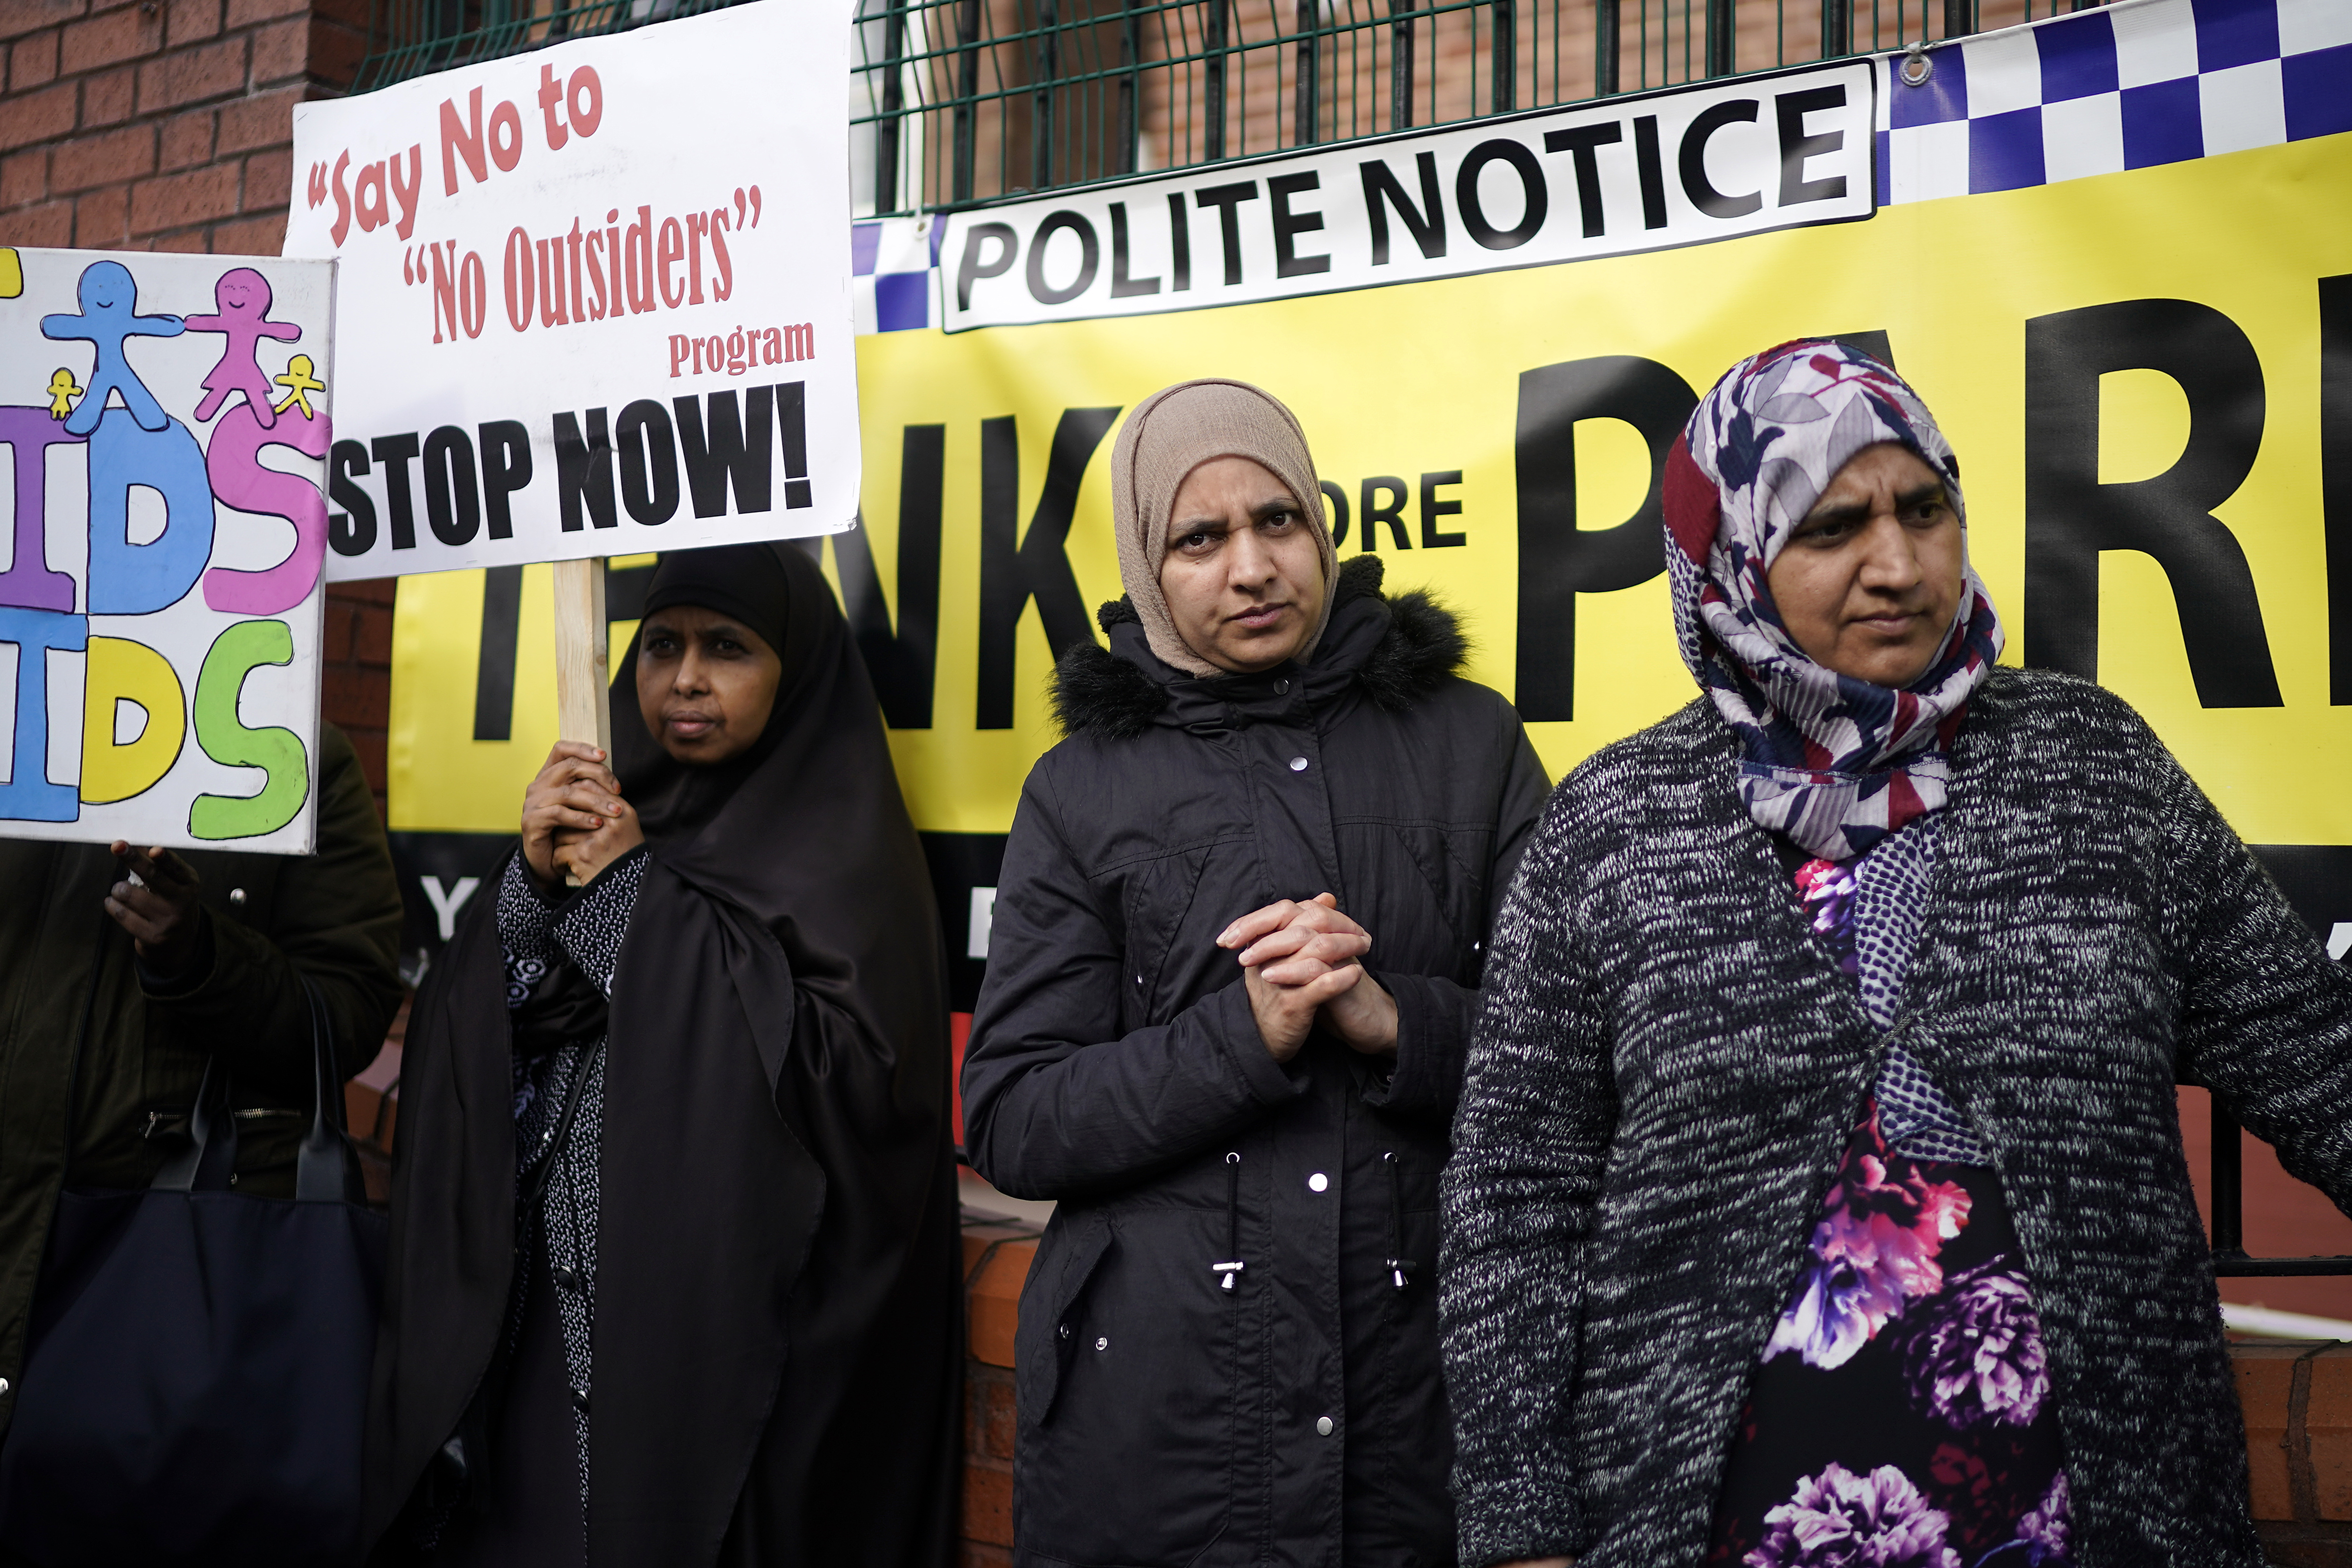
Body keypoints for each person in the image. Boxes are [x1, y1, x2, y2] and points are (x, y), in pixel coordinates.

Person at [1441, 340, 2352, 1568]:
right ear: (1734, 562)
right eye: (1829, 527)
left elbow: (2311, 1052)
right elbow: (1513, 1198)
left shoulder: (2092, 769)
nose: (1896, 564)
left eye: (1923, 508)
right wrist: (1520, 1532)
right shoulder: (1613, 826)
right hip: (1716, 1524)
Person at [962, 379, 1551, 1568]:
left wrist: (1397, 1026)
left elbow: (1578, 1060)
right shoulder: (1081, 789)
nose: (1251, 567)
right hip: (1165, 1438)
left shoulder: (1472, 742)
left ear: (1322, 529)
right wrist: (1244, 1037)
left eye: (1279, 520)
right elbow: (1015, 1119)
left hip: (1420, 1408)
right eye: (1200, 537)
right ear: (1146, 565)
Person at [361, 542, 961, 1567]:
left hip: (706, 1361)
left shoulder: (846, 856)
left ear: (797, 668)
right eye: (662, 644)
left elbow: (846, 1095)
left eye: (727, 647)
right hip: (540, 1332)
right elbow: (485, 1034)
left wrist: (636, 905)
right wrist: (533, 892)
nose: (684, 677)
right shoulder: (606, 816)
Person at [0, 724, 405, 1459]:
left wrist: (199, 957)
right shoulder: (16, 699)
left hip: (164, 1289)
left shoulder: (295, 750)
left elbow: (345, 1013)